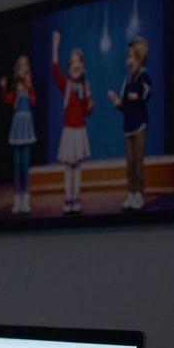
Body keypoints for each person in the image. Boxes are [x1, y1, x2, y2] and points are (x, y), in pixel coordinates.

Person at [51, 30, 94, 215]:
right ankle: (67, 199)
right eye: (73, 62)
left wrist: (90, 102)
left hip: (80, 131)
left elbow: (86, 111)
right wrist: (55, 45)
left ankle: (75, 199)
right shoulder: (65, 84)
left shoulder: (84, 87)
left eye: (79, 61)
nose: (76, 65)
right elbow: (54, 70)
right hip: (69, 131)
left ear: (83, 67)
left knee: (78, 167)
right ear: (69, 68)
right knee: (68, 167)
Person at [108, 37, 152, 210]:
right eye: (128, 57)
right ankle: (131, 193)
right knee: (130, 163)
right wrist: (115, 100)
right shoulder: (127, 81)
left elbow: (147, 92)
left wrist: (138, 96)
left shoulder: (144, 76)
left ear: (141, 58)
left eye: (133, 57)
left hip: (140, 125)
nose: (129, 61)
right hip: (128, 127)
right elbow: (123, 105)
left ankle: (140, 194)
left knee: (138, 162)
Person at [0, 55, 38, 214]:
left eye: (26, 65)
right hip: (17, 127)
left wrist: (29, 88)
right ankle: (17, 199)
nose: (24, 68)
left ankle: (26, 199)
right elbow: (8, 100)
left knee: (25, 165)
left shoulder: (29, 88)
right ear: (17, 70)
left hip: (27, 127)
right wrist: (3, 87)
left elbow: (34, 102)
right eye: (21, 65)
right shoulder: (16, 88)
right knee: (17, 165)